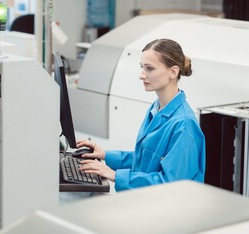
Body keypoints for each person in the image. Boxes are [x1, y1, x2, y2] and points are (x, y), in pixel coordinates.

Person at [78, 39, 206, 192]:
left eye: (149, 69)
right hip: (146, 201)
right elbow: (147, 159)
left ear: (173, 72)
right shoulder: (157, 108)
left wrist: (115, 175)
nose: (141, 75)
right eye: (142, 67)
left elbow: (171, 185)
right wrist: (106, 155)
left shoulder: (184, 125)